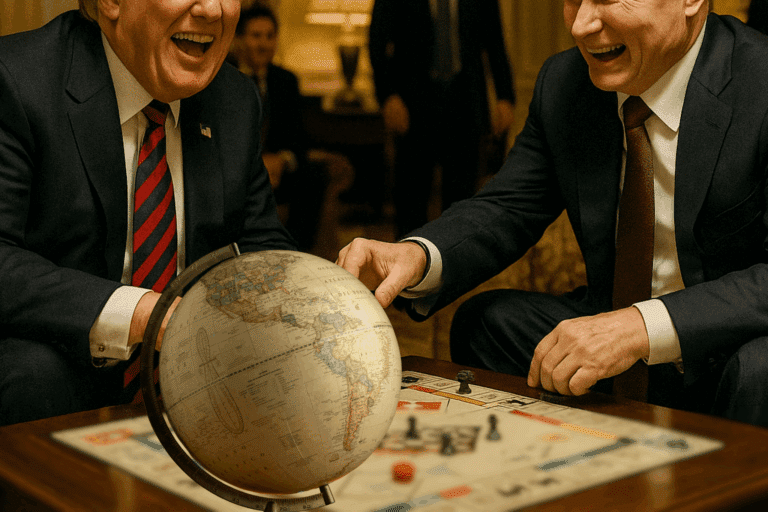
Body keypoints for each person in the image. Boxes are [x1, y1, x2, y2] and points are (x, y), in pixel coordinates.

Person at [338, 0, 768, 427]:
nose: (581, 24)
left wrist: (642, 326)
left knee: (761, 367)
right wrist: (416, 255)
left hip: (728, 344)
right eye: (573, 0)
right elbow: (509, 204)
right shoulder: (565, 82)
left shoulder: (760, 80)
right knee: (485, 324)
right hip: (609, 324)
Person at [0, 0, 296, 426]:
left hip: (196, 384)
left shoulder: (234, 100)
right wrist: (141, 314)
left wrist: (319, 291)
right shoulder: (17, 79)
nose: (213, 9)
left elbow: (258, 244)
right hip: (55, 372)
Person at [368, 0, 517, 238]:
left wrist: (505, 97)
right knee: (411, 202)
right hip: (413, 108)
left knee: (462, 203)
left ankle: (456, 268)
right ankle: (409, 269)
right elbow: (377, 42)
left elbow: (495, 43)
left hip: (465, 106)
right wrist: (388, 97)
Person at [234, 3, 328, 253]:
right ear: (240, 39)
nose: (263, 44)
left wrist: (282, 160)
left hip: (279, 174)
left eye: (269, 36)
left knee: (313, 176)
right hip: (238, 172)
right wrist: (256, 164)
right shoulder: (225, 79)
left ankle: (298, 256)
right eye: (255, 36)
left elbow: (299, 138)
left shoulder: (286, 81)